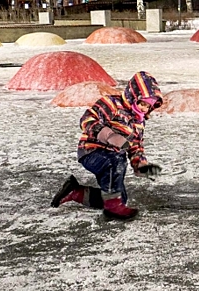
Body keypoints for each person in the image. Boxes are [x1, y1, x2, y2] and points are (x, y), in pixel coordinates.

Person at [51, 71, 164, 219]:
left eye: (149, 106)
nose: (144, 108)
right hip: (92, 151)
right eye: (142, 103)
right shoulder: (112, 104)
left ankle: (75, 192)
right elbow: (87, 119)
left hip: (113, 156)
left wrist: (141, 165)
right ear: (133, 96)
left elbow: (135, 146)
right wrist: (109, 135)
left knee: (119, 198)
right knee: (116, 161)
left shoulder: (139, 122)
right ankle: (113, 208)